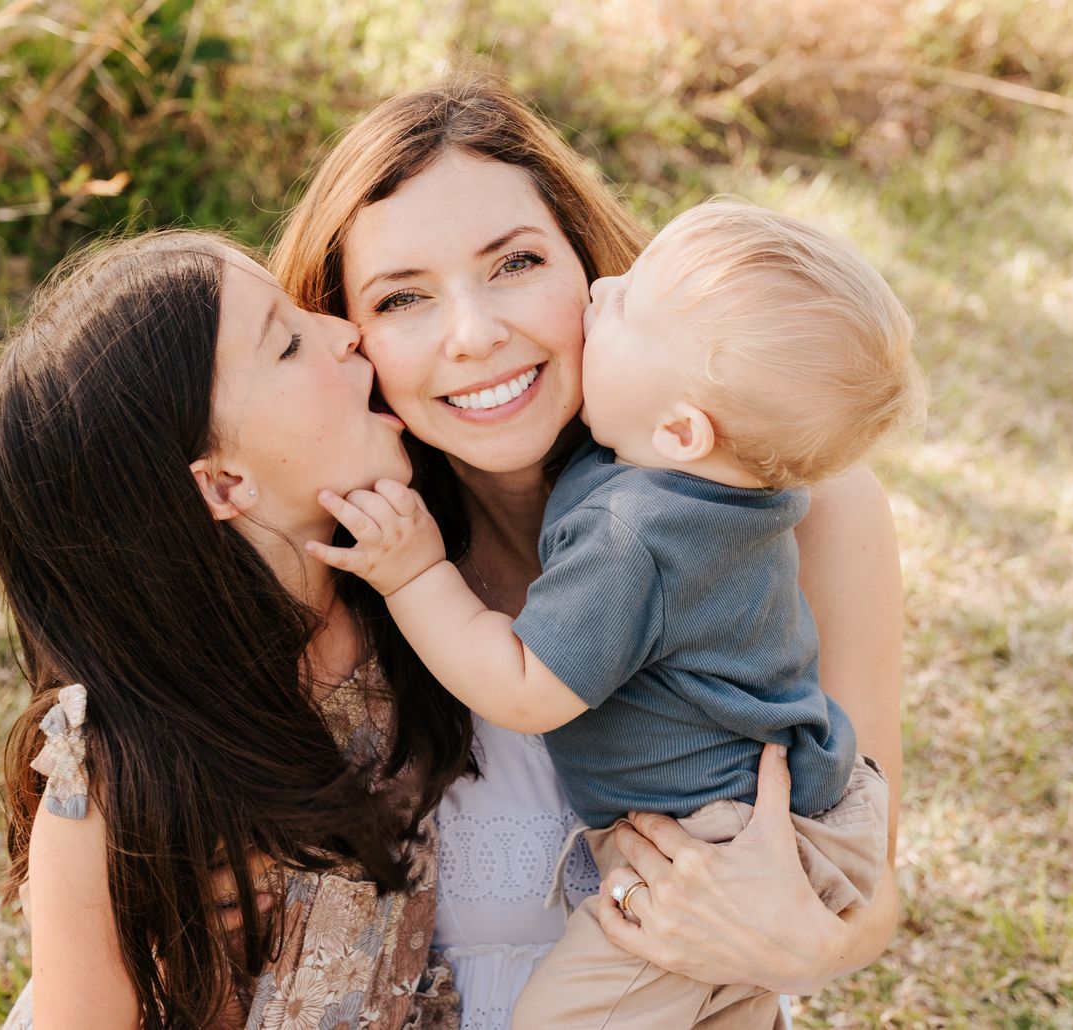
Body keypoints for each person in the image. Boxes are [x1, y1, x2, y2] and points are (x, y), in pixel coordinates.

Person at [270, 75, 908, 1029]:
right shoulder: (336, 545)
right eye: (402, 296)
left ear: (587, 260)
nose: (476, 335)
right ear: (344, 335)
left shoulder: (807, 512)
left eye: (515, 263)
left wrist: (821, 945)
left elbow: (862, 858)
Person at [0, 232, 474, 1029]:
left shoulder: (402, 599)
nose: (346, 330)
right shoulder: (116, 778)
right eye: (287, 341)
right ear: (224, 483)